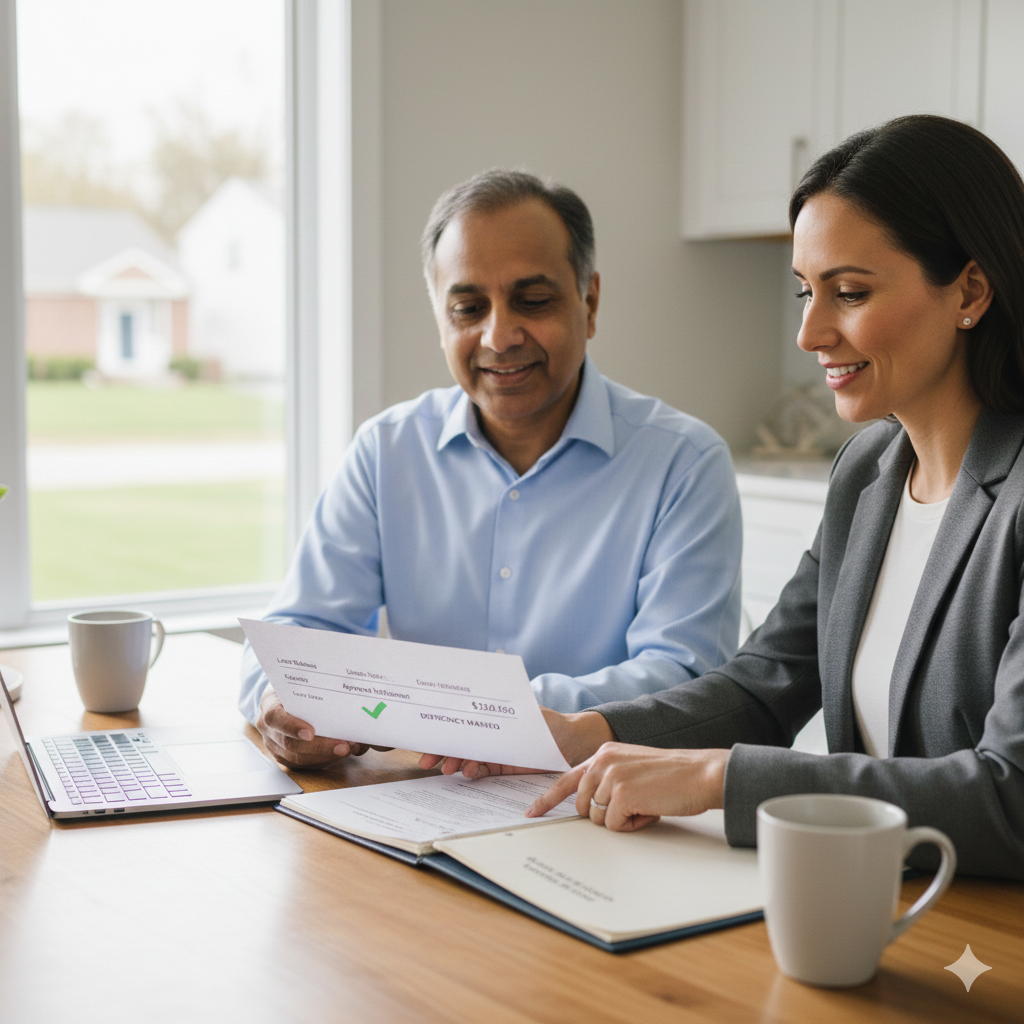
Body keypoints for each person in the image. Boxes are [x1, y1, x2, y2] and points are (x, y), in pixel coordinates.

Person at [490, 116, 1024, 880]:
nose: (810, 332)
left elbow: (1011, 798)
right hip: (875, 906)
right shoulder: (867, 472)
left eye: (848, 292)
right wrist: (582, 731)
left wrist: (718, 780)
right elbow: (763, 684)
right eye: (806, 291)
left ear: (970, 289)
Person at [240, 169, 742, 768]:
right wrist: (280, 701)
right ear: (439, 314)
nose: (499, 337)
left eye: (532, 301)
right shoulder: (386, 450)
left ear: (590, 300)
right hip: (415, 800)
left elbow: (685, 678)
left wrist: (479, 715)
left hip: (601, 808)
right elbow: (298, 626)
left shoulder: (684, 464)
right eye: (468, 307)